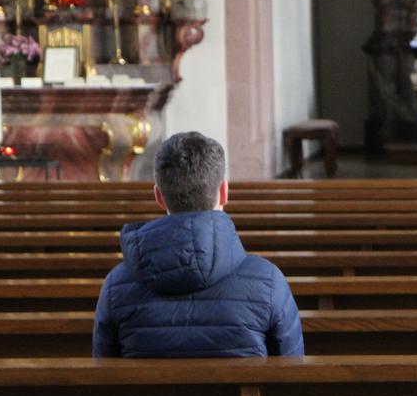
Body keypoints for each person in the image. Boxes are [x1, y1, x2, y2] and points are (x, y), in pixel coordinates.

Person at [93, 132, 304, 358]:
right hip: (239, 395)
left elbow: (104, 376)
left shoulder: (116, 286)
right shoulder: (269, 282)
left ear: (158, 196)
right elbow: (291, 376)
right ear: (224, 192)